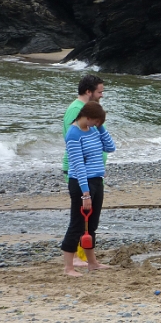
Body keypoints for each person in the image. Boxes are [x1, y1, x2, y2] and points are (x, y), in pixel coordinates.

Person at [62, 102, 116, 276]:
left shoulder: (94, 130)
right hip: (80, 183)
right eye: (97, 121)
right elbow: (77, 165)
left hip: (96, 180)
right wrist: (85, 193)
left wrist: (100, 129)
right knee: (77, 224)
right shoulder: (73, 134)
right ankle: (68, 267)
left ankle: (92, 263)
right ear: (88, 117)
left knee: (91, 225)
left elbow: (110, 147)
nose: (97, 124)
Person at [63, 74, 105, 178]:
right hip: (81, 172)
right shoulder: (76, 110)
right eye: (99, 92)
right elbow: (73, 143)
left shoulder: (91, 109)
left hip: (93, 171)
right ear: (88, 92)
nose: (102, 95)